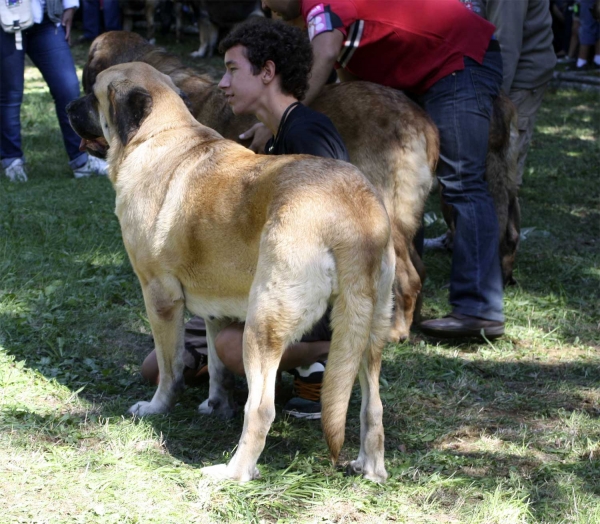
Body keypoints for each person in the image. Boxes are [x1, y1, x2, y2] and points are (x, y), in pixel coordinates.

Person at [254, 0, 505, 339]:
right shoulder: (320, 18)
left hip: (459, 58)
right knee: (400, 194)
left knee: (462, 181)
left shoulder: (320, 5)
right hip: (424, 65)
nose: (267, 4)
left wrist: (279, 117)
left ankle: (480, 311)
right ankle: (404, 298)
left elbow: (325, 54)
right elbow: (350, 76)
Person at [143, 17, 349, 419]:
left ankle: (324, 356)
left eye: (232, 70)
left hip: (317, 300)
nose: (222, 83)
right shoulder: (273, 137)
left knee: (232, 349)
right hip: (255, 284)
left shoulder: (309, 136)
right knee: (154, 367)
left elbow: (333, 243)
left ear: (267, 72)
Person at [1, 0, 108, 181]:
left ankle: (81, 158)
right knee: (10, 94)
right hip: (6, 18)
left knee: (68, 88)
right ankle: (12, 160)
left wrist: (70, 5)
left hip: (46, 19)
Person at [483, 0, 557, 187]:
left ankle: (503, 215)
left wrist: (494, 98)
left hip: (516, 79)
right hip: (504, 75)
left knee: (502, 176)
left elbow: (506, 44)